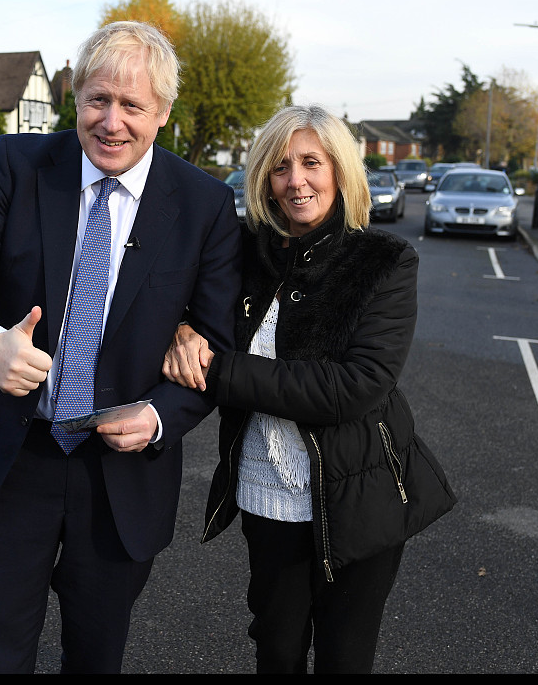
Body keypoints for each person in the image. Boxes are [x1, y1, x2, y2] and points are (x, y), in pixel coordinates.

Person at [0, 21, 242, 674]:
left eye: (133, 106)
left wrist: (157, 416)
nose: (112, 121)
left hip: (122, 476)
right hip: (13, 462)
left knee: (96, 658)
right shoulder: (18, 165)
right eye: (99, 100)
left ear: (163, 114)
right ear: (75, 97)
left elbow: (215, 341)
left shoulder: (205, 205)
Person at [163, 104, 456, 674]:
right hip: (265, 494)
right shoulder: (244, 252)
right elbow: (180, 297)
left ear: (340, 171)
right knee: (275, 649)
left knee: (344, 659)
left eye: (310, 163)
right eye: (279, 167)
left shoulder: (386, 261)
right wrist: (182, 327)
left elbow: (355, 385)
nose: (295, 180)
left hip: (358, 498)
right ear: (264, 182)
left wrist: (221, 371)